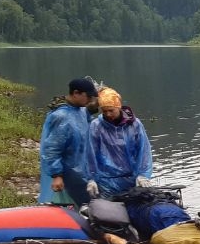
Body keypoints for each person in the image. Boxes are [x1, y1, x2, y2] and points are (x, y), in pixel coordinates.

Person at [86, 86, 153, 199]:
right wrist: (91, 178)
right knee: (111, 213)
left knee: (136, 209)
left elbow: (143, 150)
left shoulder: (134, 124)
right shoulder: (96, 126)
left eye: (111, 110)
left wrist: (143, 175)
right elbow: (91, 154)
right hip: (106, 181)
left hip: (132, 178)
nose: (108, 114)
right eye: (104, 111)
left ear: (119, 107)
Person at [38, 78, 96, 207]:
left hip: (80, 168)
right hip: (66, 171)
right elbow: (52, 149)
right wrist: (57, 175)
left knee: (83, 204)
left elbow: (85, 123)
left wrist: (91, 110)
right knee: (66, 205)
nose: (90, 100)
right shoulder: (61, 116)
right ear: (76, 93)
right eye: (89, 96)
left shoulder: (79, 110)